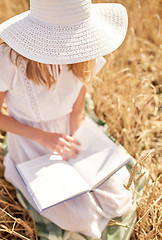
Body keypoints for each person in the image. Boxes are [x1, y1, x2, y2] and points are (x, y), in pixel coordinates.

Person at [0, 0, 133, 238]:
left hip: (71, 132)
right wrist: (43, 137)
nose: (68, 49)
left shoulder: (83, 53)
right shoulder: (10, 60)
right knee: (81, 217)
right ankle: (17, 170)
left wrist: (80, 139)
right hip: (31, 138)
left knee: (119, 200)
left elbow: (77, 103)